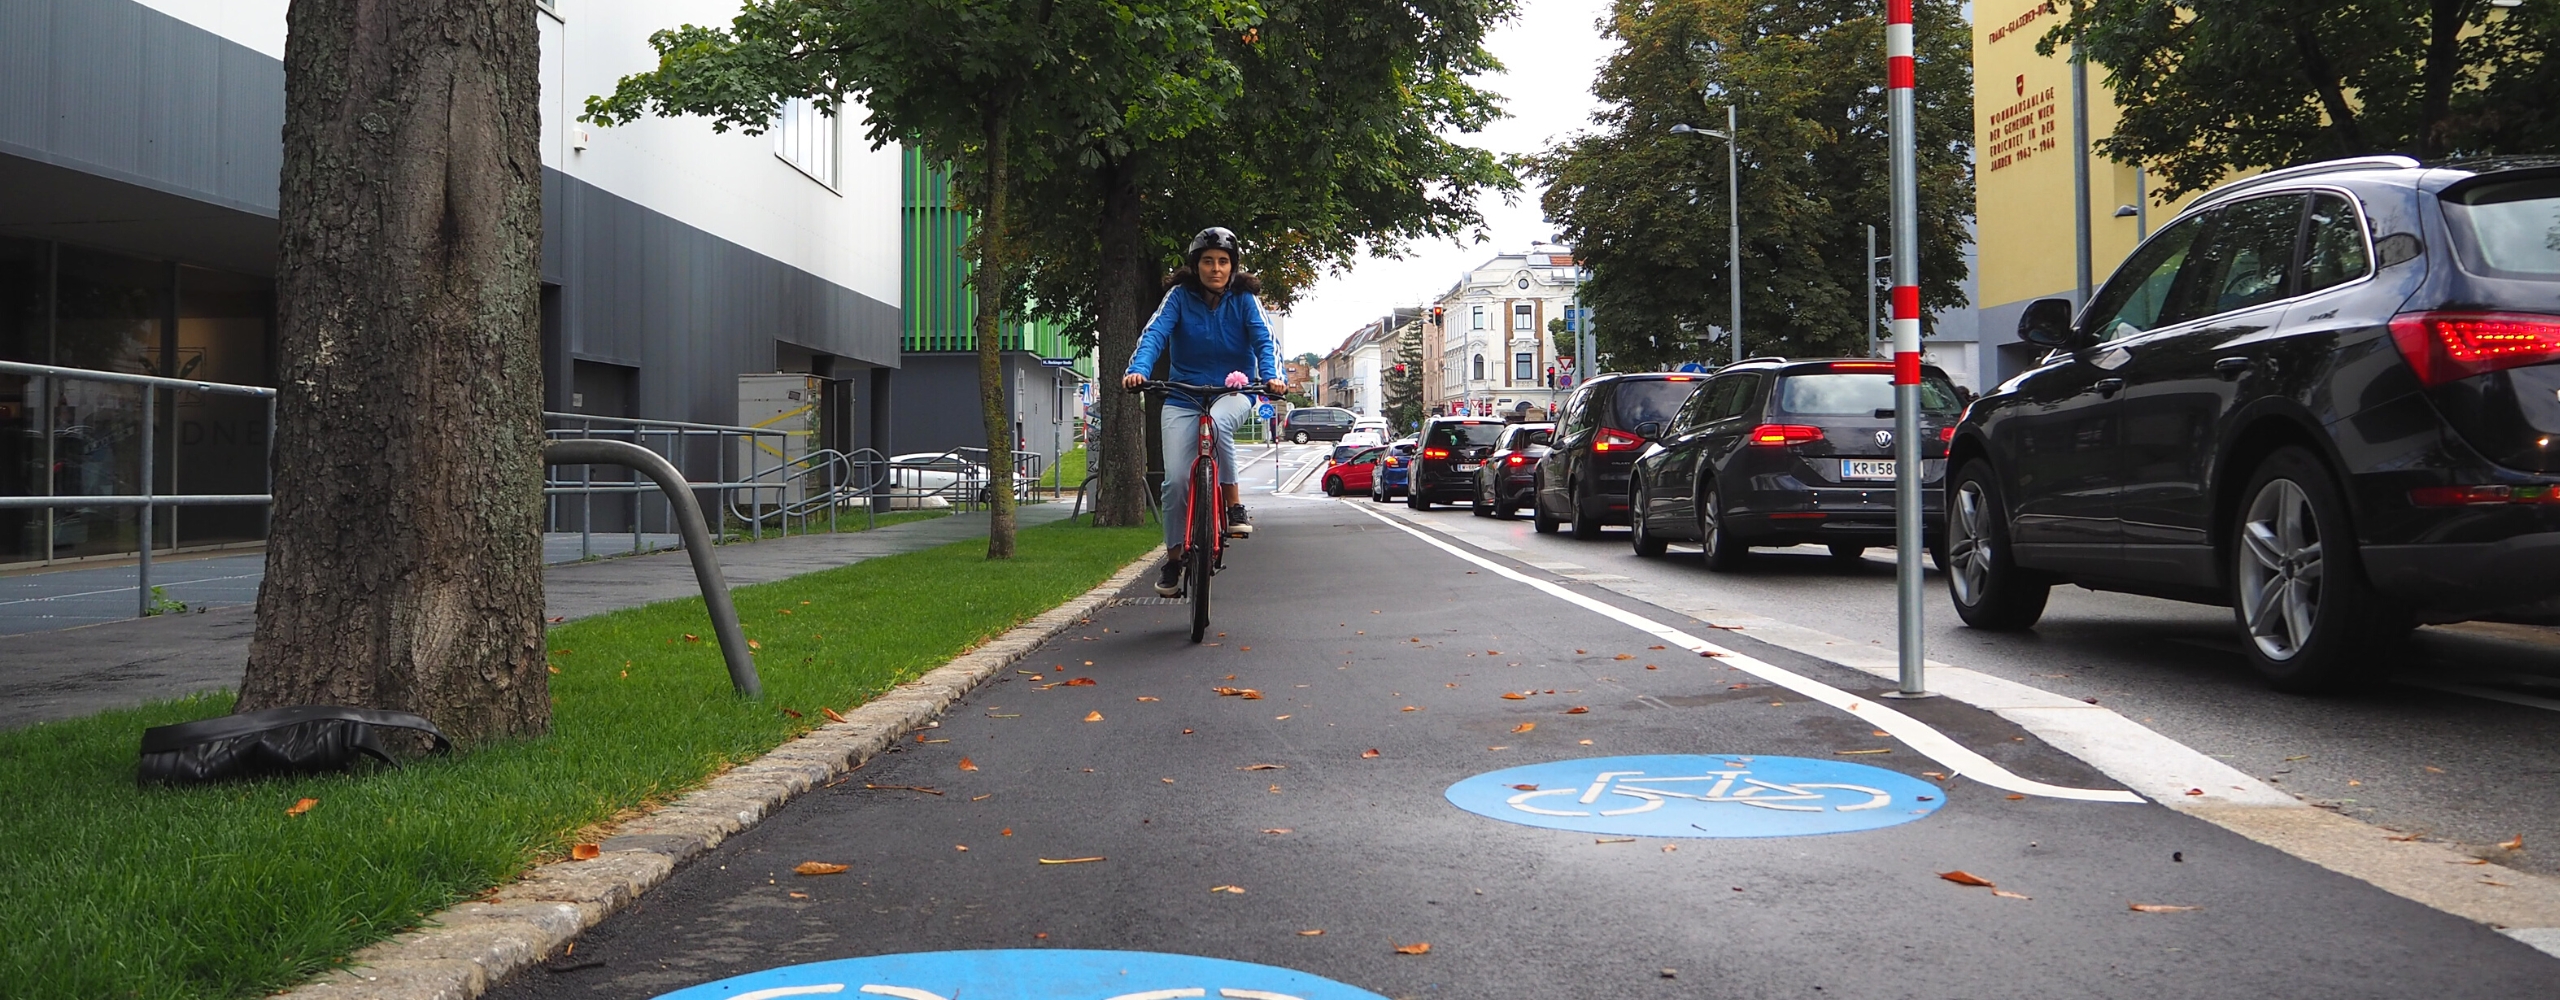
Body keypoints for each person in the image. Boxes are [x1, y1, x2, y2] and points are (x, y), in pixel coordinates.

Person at [1122, 227, 1287, 597]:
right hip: (1184, 395)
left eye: (1223, 262)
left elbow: (1264, 338)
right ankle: (1174, 558)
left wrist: (1273, 378)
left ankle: (1233, 507)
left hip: (1235, 390)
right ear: (1195, 266)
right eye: (1208, 261)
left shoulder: (1245, 300)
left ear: (1233, 267)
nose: (1216, 269)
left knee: (1218, 425)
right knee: (1175, 480)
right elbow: (1153, 335)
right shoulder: (1178, 298)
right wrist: (1139, 371)